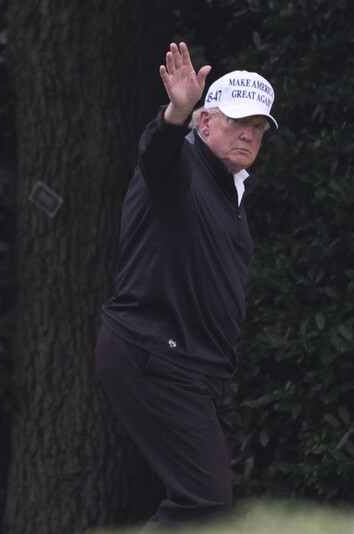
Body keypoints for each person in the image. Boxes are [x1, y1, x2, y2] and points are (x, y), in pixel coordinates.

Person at [95, 42, 278, 528]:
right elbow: (157, 156)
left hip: (202, 367)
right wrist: (175, 112)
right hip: (154, 352)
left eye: (258, 127)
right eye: (237, 122)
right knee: (204, 500)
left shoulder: (232, 189)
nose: (248, 134)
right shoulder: (181, 168)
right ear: (204, 123)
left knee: (208, 508)